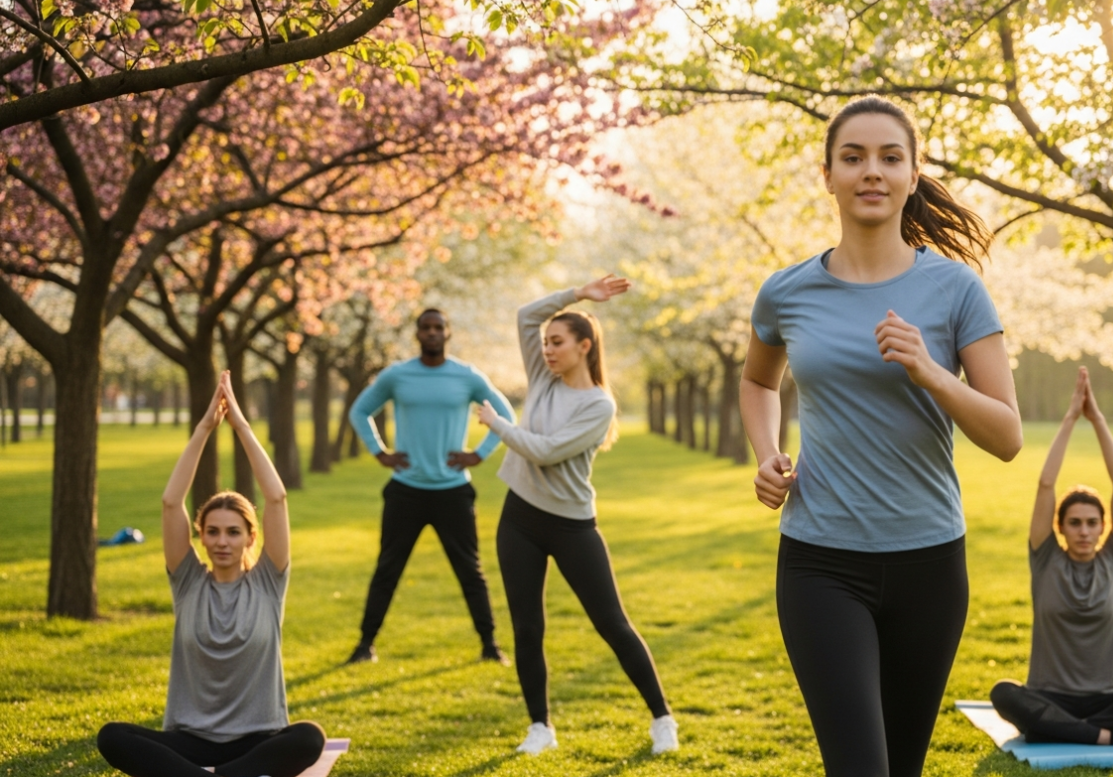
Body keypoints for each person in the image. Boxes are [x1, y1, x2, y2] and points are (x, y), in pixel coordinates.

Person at [740, 95, 1023, 777]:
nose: (873, 171)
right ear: (828, 174)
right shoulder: (786, 292)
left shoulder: (956, 291)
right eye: (854, 157)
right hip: (820, 562)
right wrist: (767, 453)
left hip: (930, 562)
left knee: (901, 766)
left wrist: (932, 372)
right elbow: (757, 382)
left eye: (890, 157)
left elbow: (1008, 434)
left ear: (913, 171)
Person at [476, 276, 678, 756]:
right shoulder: (543, 379)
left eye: (558, 342)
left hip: (570, 525)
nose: (547, 349)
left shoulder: (598, 405)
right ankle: (540, 728)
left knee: (612, 623)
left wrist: (497, 424)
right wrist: (577, 294)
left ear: (584, 347)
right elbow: (527, 314)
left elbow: (544, 453)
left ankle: (662, 718)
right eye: (545, 343)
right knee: (527, 626)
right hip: (519, 517)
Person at [97, 371, 326, 777]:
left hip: (258, 739)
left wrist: (239, 424)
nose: (222, 541)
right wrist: (205, 427)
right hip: (192, 739)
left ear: (249, 537)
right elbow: (171, 503)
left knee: (309, 738)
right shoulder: (187, 582)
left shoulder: (269, 582)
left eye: (233, 532)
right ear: (200, 537)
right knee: (112, 736)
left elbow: (275, 496)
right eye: (213, 531)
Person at [990, 367, 1113, 745]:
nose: (1083, 530)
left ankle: (1070, 730)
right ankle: (1107, 737)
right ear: (1059, 527)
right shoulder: (1046, 559)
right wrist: (1069, 418)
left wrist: (1096, 419)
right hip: (1049, 694)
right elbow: (1046, 483)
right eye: (1074, 522)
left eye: (1092, 523)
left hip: (1105, 700)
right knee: (1003, 692)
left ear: (1102, 527)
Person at [346, 308, 516, 665]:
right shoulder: (397, 376)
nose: (433, 332)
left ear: (448, 333)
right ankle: (364, 646)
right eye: (426, 327)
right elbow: (360, 411)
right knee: (387, 569)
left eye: (439, 327)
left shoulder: (467, 377)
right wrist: (379, 452)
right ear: (418, 334)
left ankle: (490, 646)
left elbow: (506, 415)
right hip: (405, 490)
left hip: (453, 491)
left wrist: (480, 454)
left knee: (470, 571)